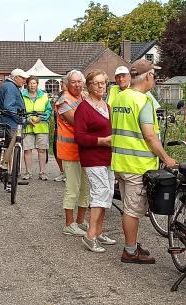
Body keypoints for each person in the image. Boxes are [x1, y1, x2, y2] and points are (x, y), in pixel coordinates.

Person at [111, 59, 177, 264]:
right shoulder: (143, 101)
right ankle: (130, 251)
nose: (154, 79)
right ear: (148, 76)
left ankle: (132, 244)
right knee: (133, 210)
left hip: (121, 162)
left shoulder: (121, 97)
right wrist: (166, 158)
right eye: (154, 75)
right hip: (138, 165)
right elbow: (150, 136)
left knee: (128, 206)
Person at [74, 69, 116, 252]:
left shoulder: (106, 106)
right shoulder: (83, 108)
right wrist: (102, 141)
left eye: (103, 83)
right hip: (92, 158)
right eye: (96, 83)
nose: (101, 86)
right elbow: (79, 137)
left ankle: (98, 231)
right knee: (100, 193)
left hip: (108, 157)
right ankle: (90, 235)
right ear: (88, 86)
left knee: (107, 193)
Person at [56, 70, 90, 236]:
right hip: (70, 151)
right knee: (72, 188)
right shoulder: (64, 101)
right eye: (74, 82)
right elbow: (79, 122)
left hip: (84, 149)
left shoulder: (83, 97)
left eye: (79, 81)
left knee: (86, 187)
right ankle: (69, 224)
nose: (77, 84)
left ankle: (80, 221)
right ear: (67, 84)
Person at [0, 68, 28, 190]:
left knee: (9, 150)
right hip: (12, 124)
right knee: (12, 150)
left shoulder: (9, 85)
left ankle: (9, 178)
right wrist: (20, 119)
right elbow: (8, 106)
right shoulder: (11, 87)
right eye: (23, 78)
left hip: (9, 122)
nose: (25, 81)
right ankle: (10, 176)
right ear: (16, 78)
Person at [21, 75, 52, 181]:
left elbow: (48, 110)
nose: (32, 85)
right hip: (27, 126)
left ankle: (42, 172)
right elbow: (20, 110)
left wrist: (40, 118)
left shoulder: (44, 96)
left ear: (37, 84)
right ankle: (28, 172)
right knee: (27, 150)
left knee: (42, 150)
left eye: (34, 83)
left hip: (42, 126)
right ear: (27, 84)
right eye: (30, 83)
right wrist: (28, 119)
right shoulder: (22, 95)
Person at [52, 81, 66, 182]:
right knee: (56, 150)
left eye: (63, 83)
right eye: (61, 84)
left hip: (67, 129)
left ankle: (68, 173)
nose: (61, 86)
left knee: (66, 151)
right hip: (57, 127)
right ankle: (62, 171)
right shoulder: (60, 96)